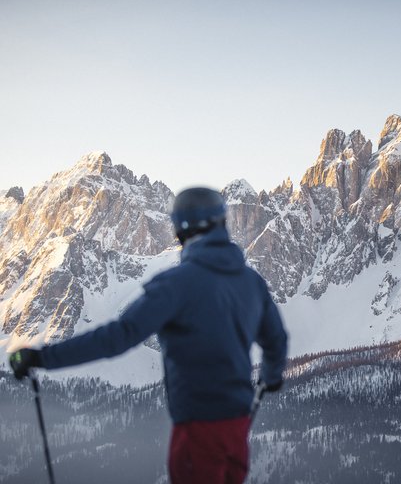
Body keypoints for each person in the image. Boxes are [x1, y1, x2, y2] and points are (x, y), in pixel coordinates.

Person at [9, 187, 288, 484]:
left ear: (181, 232)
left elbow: (119, 335)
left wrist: (42, 357)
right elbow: (276, 339)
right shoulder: (251, 281)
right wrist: (270, 378)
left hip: (197, 429)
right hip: (237, 426)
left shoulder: (176, 284)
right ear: (222, 224)